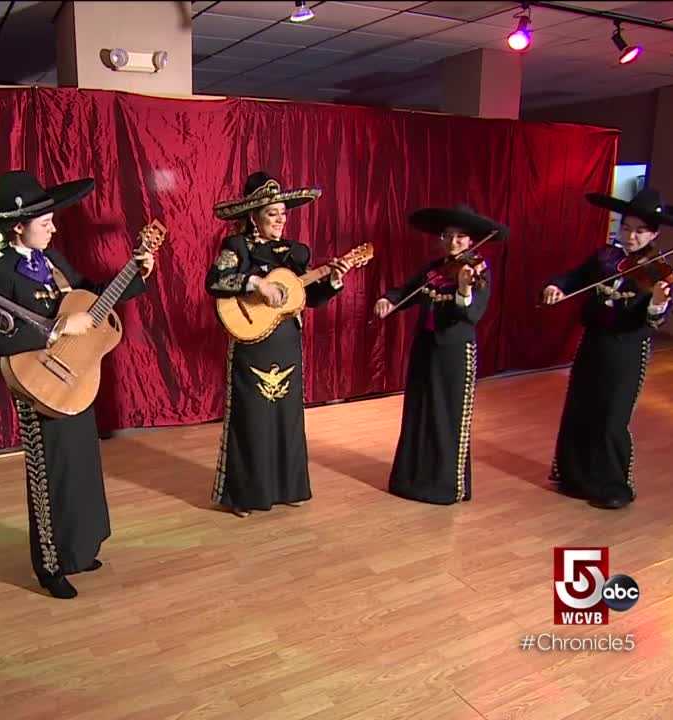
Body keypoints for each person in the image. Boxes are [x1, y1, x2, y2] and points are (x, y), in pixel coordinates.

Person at [0, 170, 154, 600]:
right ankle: (49, 564)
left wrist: (136, 272)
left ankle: (78, 549)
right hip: (37, 384)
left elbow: (92, 300)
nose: (54, 227)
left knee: (80, 467)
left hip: (75, 378)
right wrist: (55, 332)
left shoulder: (55, 262)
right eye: (45, 222)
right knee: (49, 476)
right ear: (17, 226)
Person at [541, 187, 673, 509]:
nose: (630, 237)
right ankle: (576, 476)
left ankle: (613, 484)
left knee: (612, 415)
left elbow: (655, 321)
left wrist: (658, 302)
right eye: (626, 228)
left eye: (639, 231)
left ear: (654, 233)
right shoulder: (605, 257)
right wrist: (556, 286)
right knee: (581, 407)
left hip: (627, 348)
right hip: (593, 342)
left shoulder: (659, 271)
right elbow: (574, 277)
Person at [205, 171, 354, 517]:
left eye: (283, 213)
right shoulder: (236, 247)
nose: (280, 219)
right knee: (252, 418)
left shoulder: (295, 253)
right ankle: (245, 495)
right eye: (273, 213)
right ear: (253, 216)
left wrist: (332, 281)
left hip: (287, 343)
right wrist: (256, 283)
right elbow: (215, 282)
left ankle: (288, 487)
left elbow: (308, 297)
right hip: (251, 342)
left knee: (286, 418)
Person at [374, 205, 505, 505]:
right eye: (448, 236)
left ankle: (447, 485)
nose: (453, 242)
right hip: (426, 347)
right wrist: (388, 300)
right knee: (420, 411)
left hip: (455, 352)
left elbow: (472, 314)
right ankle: (414, 479)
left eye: (461, 237)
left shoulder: (479, 271)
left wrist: (463, 290)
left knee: (449, 416)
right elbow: (406, 290)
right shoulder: (434, 269)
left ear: (471, 241)